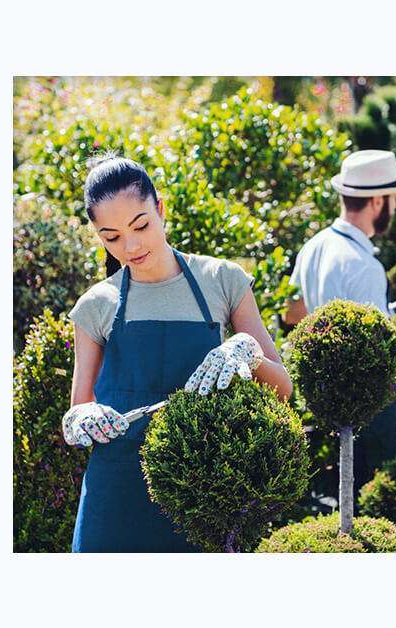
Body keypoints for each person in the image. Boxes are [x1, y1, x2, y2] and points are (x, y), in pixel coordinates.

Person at [62, 154, 292, 553]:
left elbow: (283, 389)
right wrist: (83, 419)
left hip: (203, 500)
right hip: (114, 501)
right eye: (111, 236)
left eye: (141, 226)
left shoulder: (222, 281)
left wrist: (246, 351)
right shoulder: (96, 305)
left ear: (161, 209)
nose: (131, 246)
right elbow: (77, 410)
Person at [283, 149, 396, 493]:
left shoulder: (313, 246)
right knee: (377, 495)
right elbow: (381, 353)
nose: (395, 208)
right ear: (376, 202)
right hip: (367, 405)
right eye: (393, 199)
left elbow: (291, 314)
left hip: (320, 399)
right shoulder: (363, 264)